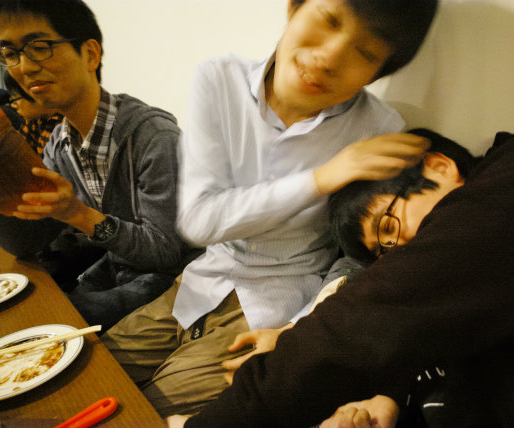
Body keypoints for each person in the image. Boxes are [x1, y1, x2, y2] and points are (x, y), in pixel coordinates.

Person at [102, 0, 438, 418]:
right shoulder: (220, 80)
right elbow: (200, 220)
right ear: (295, 7)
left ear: (378, 71)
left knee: (140, 413)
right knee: (90, 372)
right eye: (329, 20)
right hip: (195, 285)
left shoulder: (380, 130)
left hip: (268, 308)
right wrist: (322, 178)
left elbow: (360, 255)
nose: (330, 57)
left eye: (365, 52)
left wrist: (297, 333)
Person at [179, 127, 514, 428]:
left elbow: (367, 320)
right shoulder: (481, 282)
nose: (402, 251)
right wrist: (388, 400)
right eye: (386, 252)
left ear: (439, 167)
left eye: (389, 225)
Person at [0, 0, 201, 330]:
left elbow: (165, 254)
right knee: (26, 316)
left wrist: (78, 214)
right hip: (118, 273)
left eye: (39, 47)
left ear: (90, 54)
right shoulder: (60, 143)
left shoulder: (154, 137)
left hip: (176, 284)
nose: (24, 67)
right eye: (10, 53)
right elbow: (27, 242)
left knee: (47, 322)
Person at [3, 71, 63, 156]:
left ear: (36, 94)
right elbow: (20, 150)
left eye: (14, 98)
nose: (13, 105)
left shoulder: (61, 126)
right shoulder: (34, 119)